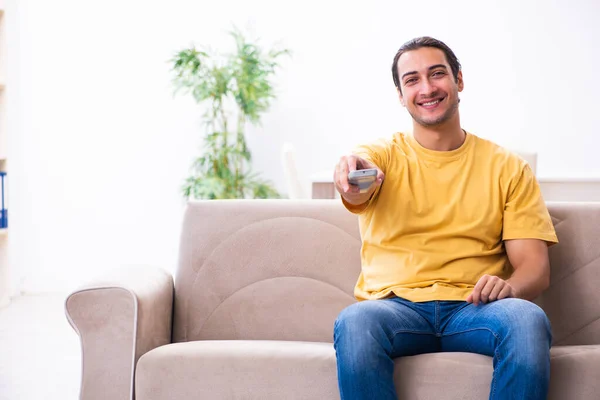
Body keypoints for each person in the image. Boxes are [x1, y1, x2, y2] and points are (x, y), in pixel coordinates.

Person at [332, 36, 558, 400]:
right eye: (412, 80)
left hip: (476, 308)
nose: (426, 88)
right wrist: (352, 175)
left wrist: (510, 288)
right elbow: (360, 174)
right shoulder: (382, 156)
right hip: (395, 309)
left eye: (437, 74)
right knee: (355, 322)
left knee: (526, 319)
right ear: (400, 95)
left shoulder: (507, 167)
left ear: (459, 81)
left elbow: (535, 266)